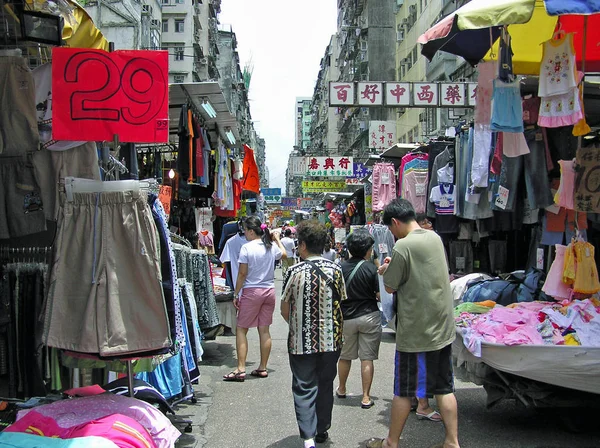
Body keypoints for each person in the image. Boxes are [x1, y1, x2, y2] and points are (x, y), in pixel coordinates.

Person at [368, 199, 459, 448]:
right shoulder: (434, 237)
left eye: (390, 228)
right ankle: (452, 441)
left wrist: (386, 269)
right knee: (443, 387)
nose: (392, 233)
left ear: (395, 222)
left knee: (404, 390)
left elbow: (390, 286)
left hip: (417, 331)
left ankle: (391, 443)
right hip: (442, 327)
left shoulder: (403, 247)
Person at [281, 220, 347, 448]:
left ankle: (308, 437)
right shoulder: (337, 270)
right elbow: (342, 304)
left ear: (303, 245)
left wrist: (299, 325)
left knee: (304, 385)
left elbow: (284, 309)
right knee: (326, 383)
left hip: (300, 343)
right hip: (331, 341)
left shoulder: (293, 271)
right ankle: (322, 430)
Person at [223, 216, 287, 382]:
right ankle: (263, 368)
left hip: (252, 291)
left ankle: (241, 368)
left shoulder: (247, 247)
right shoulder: (270, 246)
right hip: (269, 291)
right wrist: (278, 239)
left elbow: (242, 274)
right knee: (264, 330)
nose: (244, 233)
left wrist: (236, 293)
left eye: (245, 230)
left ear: (251, 231)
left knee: (241, 329)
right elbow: (284, 254)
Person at [336, 230, 381, 409]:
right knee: (366, 358)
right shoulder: (372, 269)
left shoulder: (340, 267)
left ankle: (341, 388)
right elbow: (378, 295)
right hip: (369, 316)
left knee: (345, 357)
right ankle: (365, 397)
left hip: (346, 318)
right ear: (367, 250)